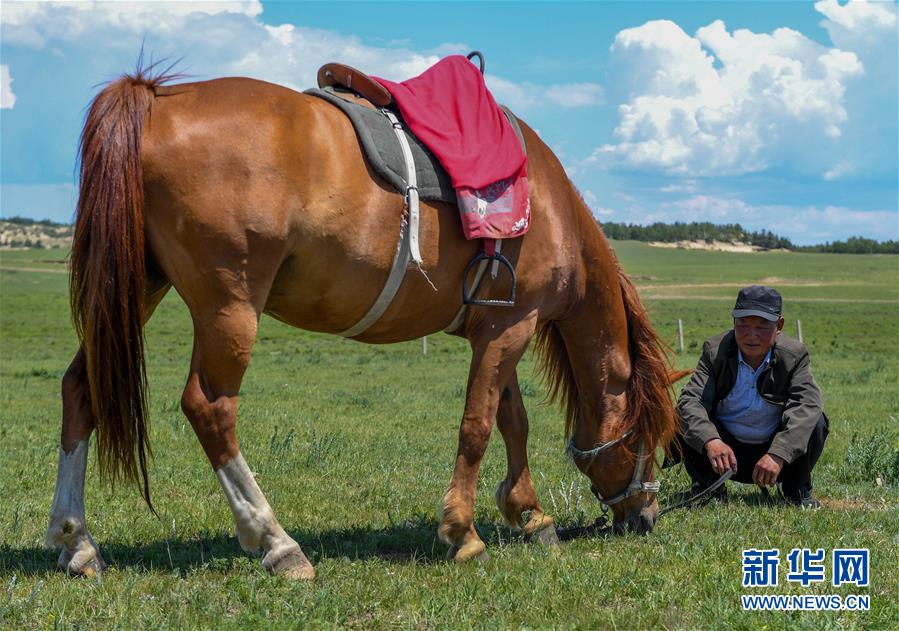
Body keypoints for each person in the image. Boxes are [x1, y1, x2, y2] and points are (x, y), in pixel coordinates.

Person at [674, 285, 829, 509]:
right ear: (733, 323)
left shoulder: (794, 355)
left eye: (762, 326)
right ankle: (708, 489)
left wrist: (779, 453)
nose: (751, 335)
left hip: (774, 457)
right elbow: (691, 401)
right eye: (743, 325)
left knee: (816, 421)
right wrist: (710, 440)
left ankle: (796, 491)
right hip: (721, 455)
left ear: (779, 326)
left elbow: (807, 404)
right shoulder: (714, 351)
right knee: (681, 414)